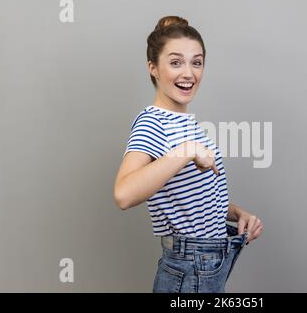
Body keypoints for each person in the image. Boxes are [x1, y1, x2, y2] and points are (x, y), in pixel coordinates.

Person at [113, 15, 264, 293]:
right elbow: (124, 194)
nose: (189, 73)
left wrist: (235, 213)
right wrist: (187, 151)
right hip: (190, 266)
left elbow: (188, 198)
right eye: (175, 62)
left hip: (208, 262)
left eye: (197, 62)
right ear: (153, 68)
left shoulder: (186, 123)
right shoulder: (153, 123)